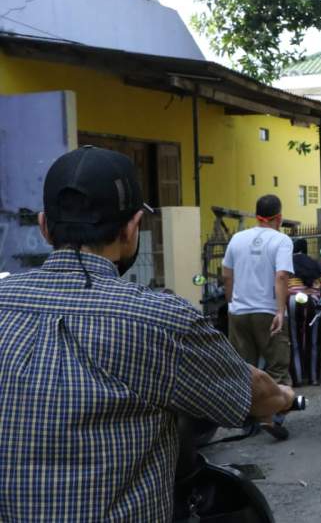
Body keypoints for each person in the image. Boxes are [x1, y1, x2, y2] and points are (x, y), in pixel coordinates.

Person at [0, 146, 294, 521]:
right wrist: (284, 396)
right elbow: (250, 390)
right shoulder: (159, 319)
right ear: (131, 228)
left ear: (44, 227)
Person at [223, 194, 295, 440]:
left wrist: (232, 303)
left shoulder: (236, 238)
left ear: (256, 216)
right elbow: (282, 277)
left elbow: (227, 276)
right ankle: (273, 415)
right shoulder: (282, 240)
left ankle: (248, 419)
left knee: (245, 368)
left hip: (239, 312)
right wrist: (280, 311)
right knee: (277, 365)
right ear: (279, 218)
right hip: (266, 312)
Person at [288, 238, 321, 386]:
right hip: (313, 301)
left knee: (294, 341)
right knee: (314, 340)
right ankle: (314, 378)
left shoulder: (287, 262)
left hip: (293, 300)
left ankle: (297, 378)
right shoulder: (315, 263)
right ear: (305, 249)